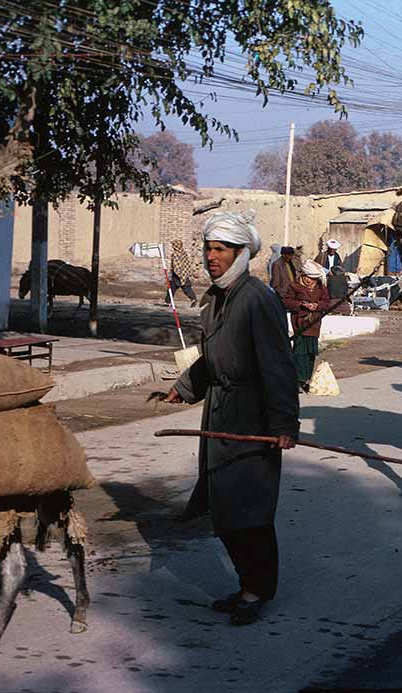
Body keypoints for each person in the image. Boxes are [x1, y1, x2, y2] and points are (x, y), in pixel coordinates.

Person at [164, 210, 299, 627]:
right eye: (207, 248)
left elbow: (279, 367)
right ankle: (246, 585)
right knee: (224, 507)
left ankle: (258, 590)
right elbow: (213, 358)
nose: (210, 256)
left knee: (249, 510)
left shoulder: (257, 299)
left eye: (220, 249)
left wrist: (283, 426)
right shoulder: (219, 297)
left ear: (242, 253)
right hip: (221, 413)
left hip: (252, 417)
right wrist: (185, 387)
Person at [282, 260, 331, 393]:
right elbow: (287, 301)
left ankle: (306, 379)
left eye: (313, 278)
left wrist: (317, 306)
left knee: (310, 353)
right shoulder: (294, 286)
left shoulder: (321, 287)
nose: (310, 281)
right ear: (303, 275)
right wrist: (301, 305)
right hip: (300, 324)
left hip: (314, 324)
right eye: (308, 277)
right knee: (299, 352)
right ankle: (297, 379)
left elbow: (326, 303)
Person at [166, 239, 199, 308]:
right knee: (186, 288)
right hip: (184, 273)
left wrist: (178, 273)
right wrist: (190, 272)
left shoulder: (175, 254)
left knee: (171, 288)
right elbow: (187, 264)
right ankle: (193, 299)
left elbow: (176, 266)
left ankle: (168, 302)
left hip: (176, 274)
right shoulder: (184, 253)